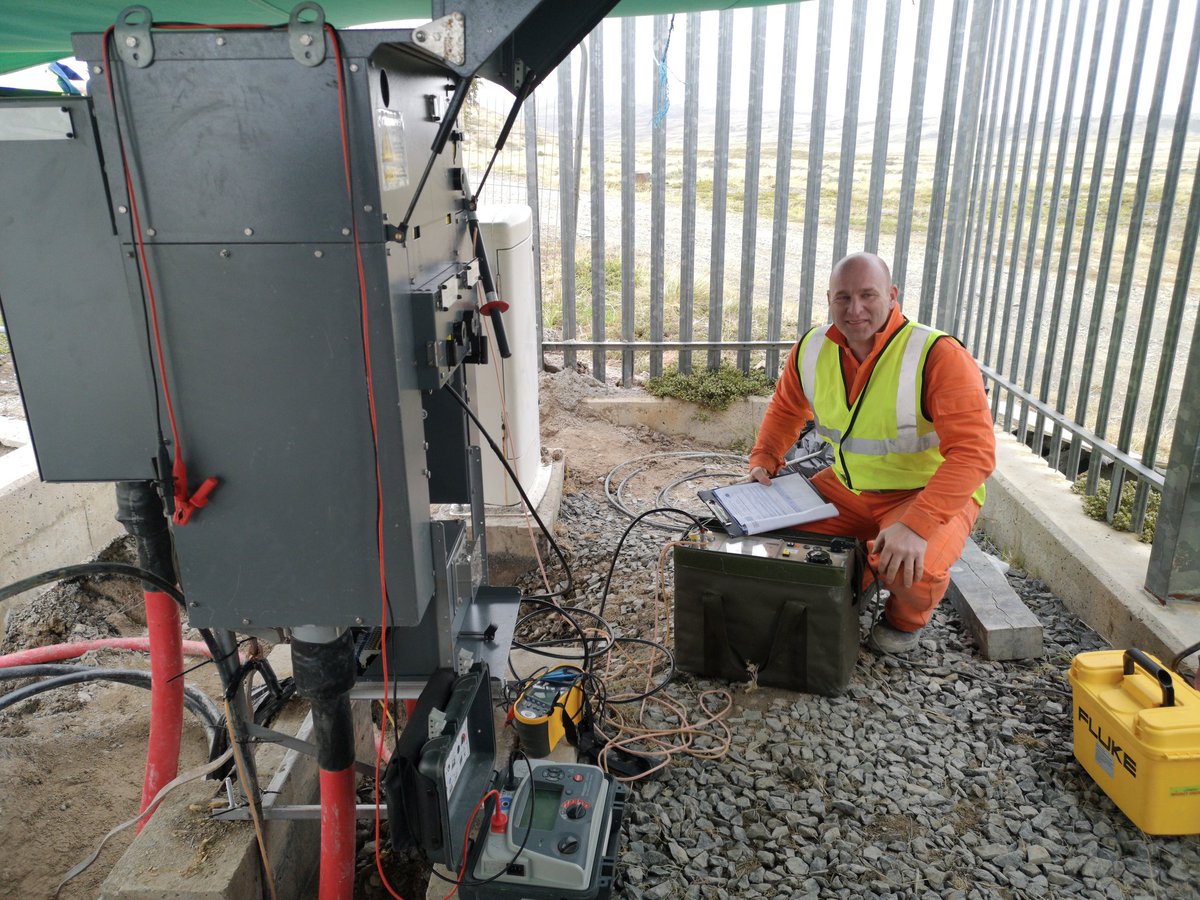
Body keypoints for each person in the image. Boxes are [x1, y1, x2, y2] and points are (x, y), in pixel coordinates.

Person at [748, 252, 995, 653]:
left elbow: (974, 453)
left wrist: (917, 524)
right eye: (843, 298)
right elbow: (786, 409)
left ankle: (902, 619)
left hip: (921, 494)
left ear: (893, 295)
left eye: (868, 295)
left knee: (914, 567)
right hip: (847, 487)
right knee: (769, 538)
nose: (855, 309)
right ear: (829, 298)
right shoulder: (812, 348)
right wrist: (764, 459)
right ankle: (859, 570)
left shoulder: (937, 355)